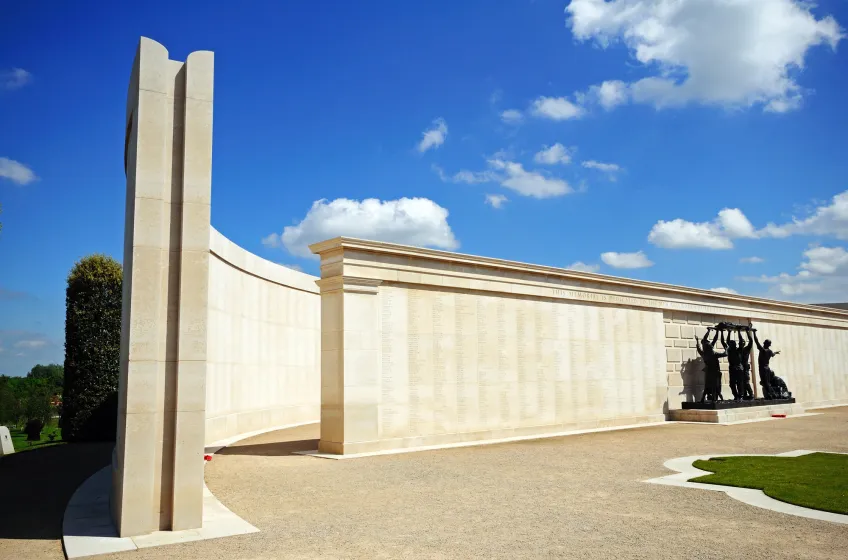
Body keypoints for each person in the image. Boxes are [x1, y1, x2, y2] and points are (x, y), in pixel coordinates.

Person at [695, 328, 725, 402]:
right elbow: (714, 339)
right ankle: (715, 398)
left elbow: (699, 348)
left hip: (708, 372)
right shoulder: (712, 352)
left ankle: (704, 398)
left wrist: (697, 340)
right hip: (714, 372)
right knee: (715, 386)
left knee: (707, 386)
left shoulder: (704, 353)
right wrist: (717, 331)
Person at [753, 329, 785, 399]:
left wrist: (754, 333)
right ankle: (772, 394)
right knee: (767, 382)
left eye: (764, 343)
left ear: (765, 344)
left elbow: (756, 342)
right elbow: (773, 354)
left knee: (765, 383)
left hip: (763, 368)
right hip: (767, 368)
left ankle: (772, 395)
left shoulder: (763, 350)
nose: (763, 344)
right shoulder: (770, 351)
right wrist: (776, 352)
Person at [720, 328, 746, 400]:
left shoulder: (739, 350)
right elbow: (723, 341)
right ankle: (736, 396)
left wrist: (739, 331)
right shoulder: (729, 350)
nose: (730, 345)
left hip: (739, 368)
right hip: (732, 368)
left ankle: (740, 396)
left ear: (735, 345)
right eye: (730, 344)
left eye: (732, 344)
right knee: (732, 384)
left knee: (739, 383)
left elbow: (741, 341)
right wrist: (726, 332)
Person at [737, 328, 755, 399]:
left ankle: (751, 394)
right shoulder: (738, 350)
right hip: (740, 368)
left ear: (744, 344)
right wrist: (739, 331)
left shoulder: (746, 349)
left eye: (742, 343)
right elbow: (740, 339)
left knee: (746, 382)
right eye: (740, 343)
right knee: (741, 382)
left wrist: (747, 332)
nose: (740, 344)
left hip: (745, 368)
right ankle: (744, 394)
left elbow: (751, 341)